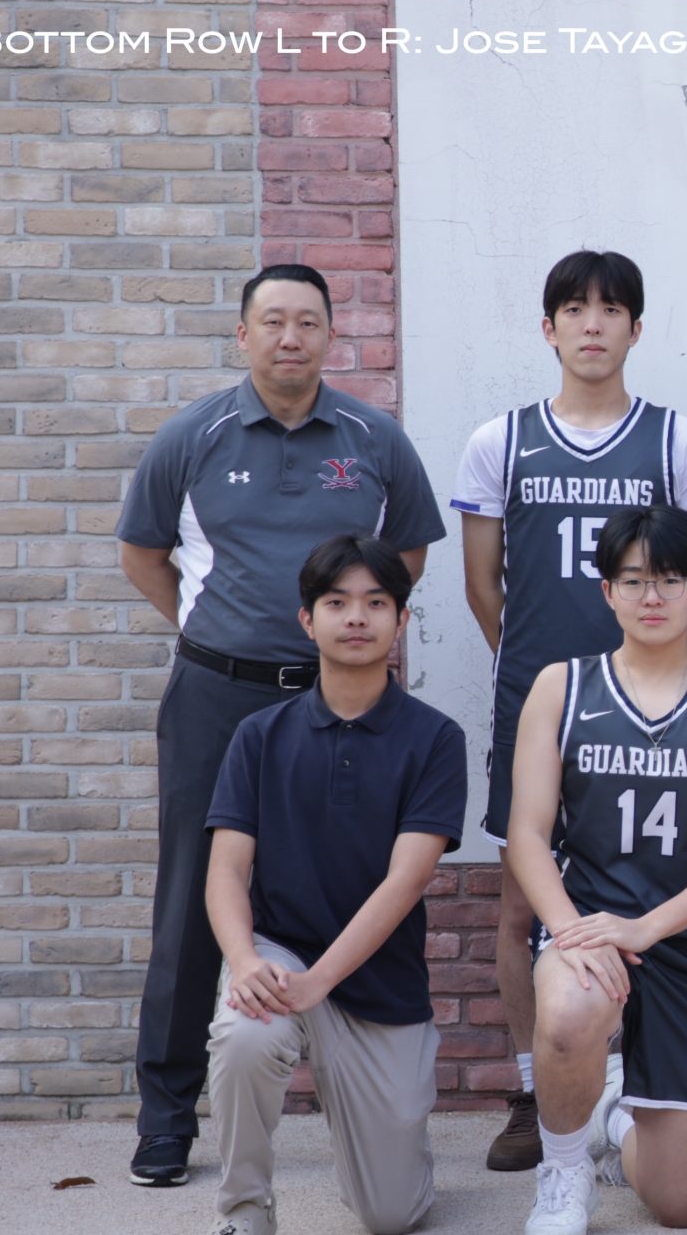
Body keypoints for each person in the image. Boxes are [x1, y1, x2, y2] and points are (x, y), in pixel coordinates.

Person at [117, 264, 446, 1188]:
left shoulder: (375, 440)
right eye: (272, 322)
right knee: (192, 895)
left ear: (331, 335)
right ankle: (166, 1117)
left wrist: (341, 644)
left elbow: (405, 558)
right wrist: (210, 629)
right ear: (243, 334)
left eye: (307, 322)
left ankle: (361, 1089)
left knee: (356, 875)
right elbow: (143, 553)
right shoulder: (193, 436)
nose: (290, 337)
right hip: (218, 695)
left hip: (342, 699)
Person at [451, 249, 687, 1173]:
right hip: (541, 697)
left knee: (649, 876)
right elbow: (483, 587)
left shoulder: (676, 442)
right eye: (574, 308)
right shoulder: (501, 440)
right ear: (548, 327)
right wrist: (547, 680)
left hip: (647, 701)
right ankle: (536, 1089)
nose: (592, 324)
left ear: (636, 329)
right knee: (520, 898)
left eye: (611, 309)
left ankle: (634, 1082)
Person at [502, 505, 687, 1235]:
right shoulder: (562, 687)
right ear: (607, 591)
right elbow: (527, 835)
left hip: (685, 942)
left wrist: (645, 928)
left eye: (670, 580)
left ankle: (609, 1113)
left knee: (681, 1203)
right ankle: (564, 1171)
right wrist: (570, 930)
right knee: (569, 1010)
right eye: (633, 580)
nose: (651, 596)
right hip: (588, 926)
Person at [195, 534, 467, 1235]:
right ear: (307, 619)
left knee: (391, 1215)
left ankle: (391, 1145)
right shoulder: (259, 736)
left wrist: (322, 981)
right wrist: (244, 961)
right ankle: (243, 1209)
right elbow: (226, 873)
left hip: (377, 981)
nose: (356, 617)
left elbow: (405, 881)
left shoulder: (435, 739)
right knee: (245, 1032)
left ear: (401, 621)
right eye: (337, 602)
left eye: (376, 602)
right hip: (282, 955)